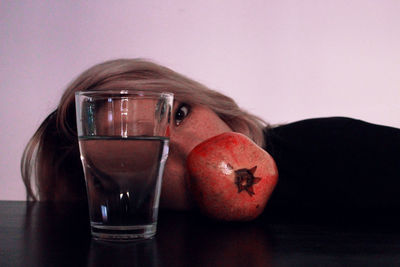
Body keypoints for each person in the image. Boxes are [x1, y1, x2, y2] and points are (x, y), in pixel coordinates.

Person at [21, 58, 400, 219]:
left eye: (181, 114)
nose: (189, 149)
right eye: (149, 153)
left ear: (210, 104)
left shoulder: (340, 148)